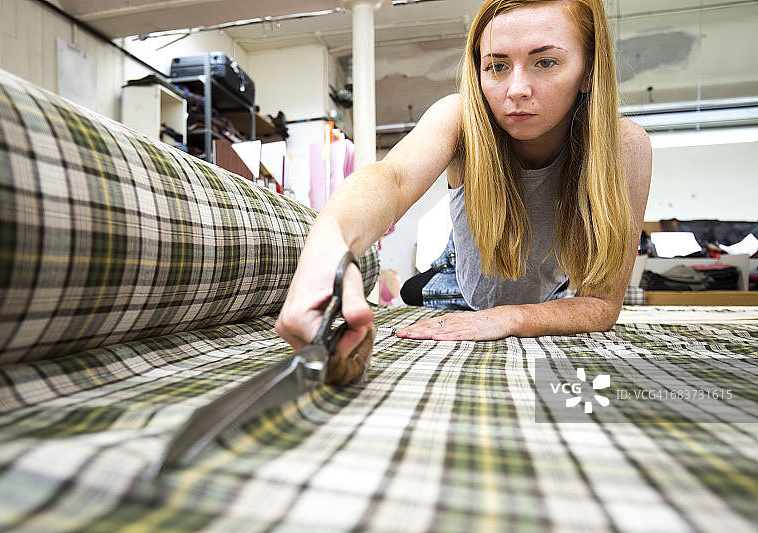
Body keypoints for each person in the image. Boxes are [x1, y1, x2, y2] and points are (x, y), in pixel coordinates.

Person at [276, 0, 652, 356]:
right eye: (497, 66)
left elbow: (602, 304)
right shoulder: (461, 119)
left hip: (549, 296)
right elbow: (392, 177)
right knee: (413, 291)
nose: (517, 89)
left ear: (587, 71)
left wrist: (512, 317)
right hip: (458, 283)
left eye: (546, 62)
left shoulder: (624, 147)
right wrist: (328, 244)